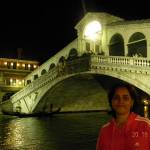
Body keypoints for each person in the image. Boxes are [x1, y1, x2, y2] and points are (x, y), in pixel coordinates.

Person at [96, 83, 150, 150]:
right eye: (116, 98)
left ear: (132, 102)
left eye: (125, 98)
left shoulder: (146, 125)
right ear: (111, 102)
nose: (120, 101)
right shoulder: (104, 130)